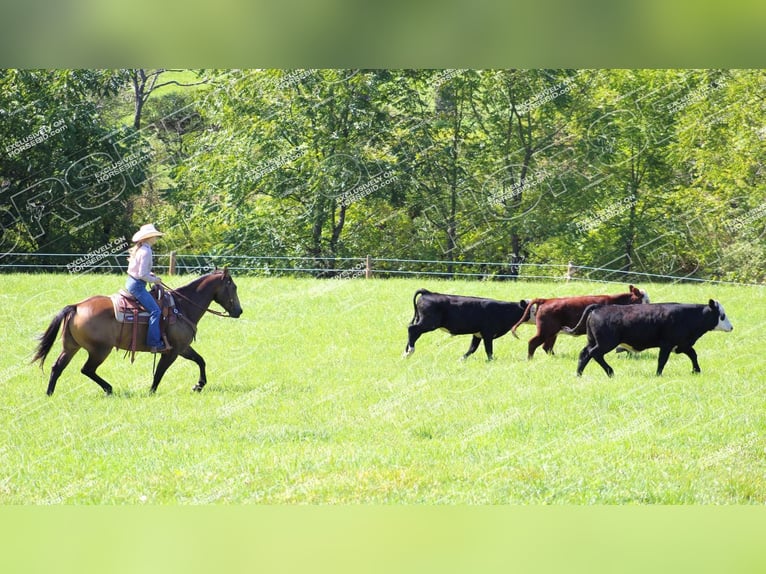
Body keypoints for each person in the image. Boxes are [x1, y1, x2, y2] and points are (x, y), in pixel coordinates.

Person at [126, 224, 171, 353]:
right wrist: (154, 280)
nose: (156, 238)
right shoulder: (146, 251)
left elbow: (138, 271)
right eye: (155, 236)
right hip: (137, 286)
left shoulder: (141, 249)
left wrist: (149, 275)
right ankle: (154, 343)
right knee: (156, 311)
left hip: (131, 282)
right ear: (149, 237)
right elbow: (141, 274)